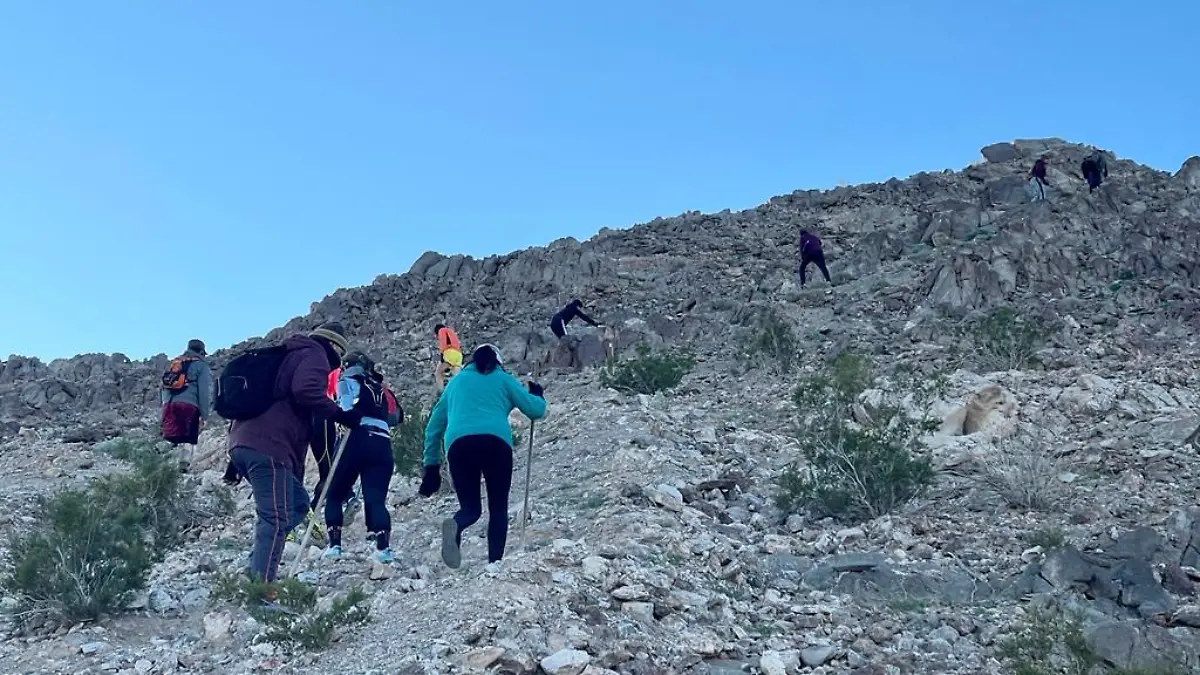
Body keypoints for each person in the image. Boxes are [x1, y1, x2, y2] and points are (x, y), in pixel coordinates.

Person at [222, 322, 356, 583]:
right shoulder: (314, 354)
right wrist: (340, 414)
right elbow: (306, 391)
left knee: (296, 504)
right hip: (269, 449)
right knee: (274, 518)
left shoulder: (286, 357)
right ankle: (261, 589)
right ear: (335, 349)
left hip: (245, 444)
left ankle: (255, 570)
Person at [418, 344, 547, 570]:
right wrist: (537, 394)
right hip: (496, 443)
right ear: (498, 362)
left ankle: (457, 525)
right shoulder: (502, 379)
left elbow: (433, 427)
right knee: (498, 508)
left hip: (459, 445)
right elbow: (535, 410)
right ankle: (494, 564)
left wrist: (431, 466)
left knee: (471, 509)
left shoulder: (455, 384)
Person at [323, 351, 397, 564]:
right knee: (375, 498)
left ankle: (335, 546)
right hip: (382, 442)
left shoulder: (346, 380)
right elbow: (395, 416)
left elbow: (345, 408)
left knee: (335, 493)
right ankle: (383, 549)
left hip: (355, 439)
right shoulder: (380, 389)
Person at [160, 339, 214, 465]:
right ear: (201, 352)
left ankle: (161, 465)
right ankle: (183, 466)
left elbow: (164, 386)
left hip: (169, 404)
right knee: (188, 437)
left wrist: (165, 406)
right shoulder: (201, 366)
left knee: (170, 435)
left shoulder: (174, 364)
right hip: (189, 405)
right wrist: (204, 415)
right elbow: (204, 392)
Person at [434, 324, 464, 393]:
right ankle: (459, 392)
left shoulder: (441, 330)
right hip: (459, 355)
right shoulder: (451, 332)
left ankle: (441, 393)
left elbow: (443, 342)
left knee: (438, 373)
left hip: (450, 353)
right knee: (456, 377)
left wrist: (442, 355)